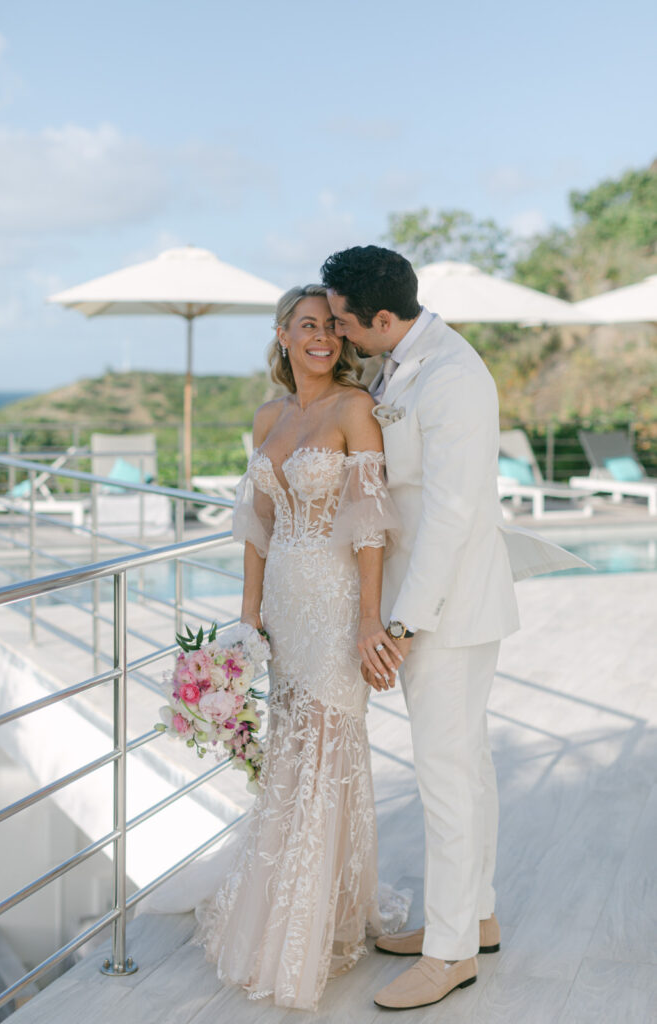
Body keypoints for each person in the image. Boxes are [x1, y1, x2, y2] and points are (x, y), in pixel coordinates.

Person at [321, 245, 584, 1010]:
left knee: (444, 774)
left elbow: (451, 514)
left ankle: (448, 956)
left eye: (341, 321)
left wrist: (403, 622)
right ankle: (473, 915)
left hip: (444, 608)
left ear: (380, 317)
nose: (335, 333)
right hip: (426, 599)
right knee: (464, 764)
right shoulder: (405, 357)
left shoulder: (453, 376)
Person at [198, 284, 410, 1010]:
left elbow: (372, 527)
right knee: (292, 750)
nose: (321, 337)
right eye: (307, 325)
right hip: (284, 607)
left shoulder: (355, 408)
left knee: (326, 751)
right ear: (282, 333)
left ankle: (315, 928)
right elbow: (256, 527)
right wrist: (247, 618)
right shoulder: (268, 414)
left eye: (330, 326)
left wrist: (368, 622)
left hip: (336, 600)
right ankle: (287, 912)